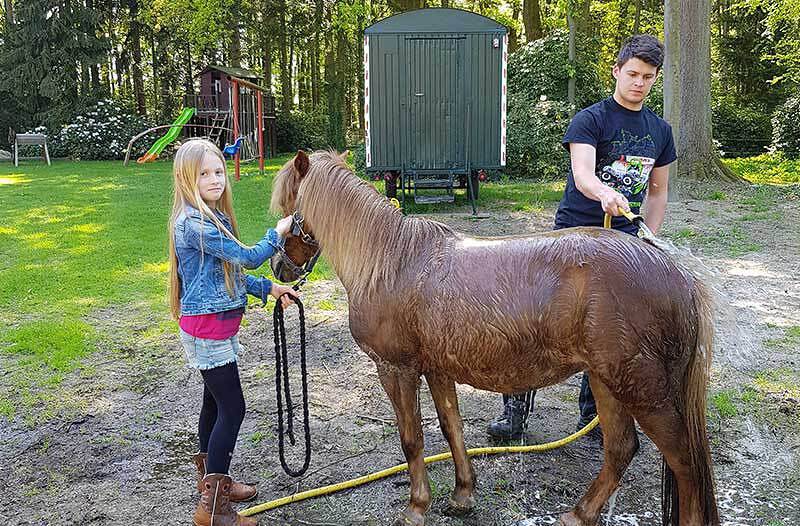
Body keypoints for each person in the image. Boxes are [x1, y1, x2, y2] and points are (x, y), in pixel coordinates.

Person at [487, 34, 677, 441]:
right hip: (574, 235)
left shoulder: (660, 131)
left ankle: (593, 421)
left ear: (655, 78)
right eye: (632, 74)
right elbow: (584, 175)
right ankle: (515, 410)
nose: (639, 82)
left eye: (647, 76)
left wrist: (647, 238)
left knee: (611, 331)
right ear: (617, 71)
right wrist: (605, 192)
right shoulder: (591, 119)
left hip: (624, 241)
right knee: (536, 319)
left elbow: (658, 192)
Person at [168, 139, 299, 525]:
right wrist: (278, 233)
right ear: (186, 179)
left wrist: (269, 288)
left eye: (218, 172)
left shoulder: (211, 219)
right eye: (204, 174)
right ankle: (214, 510)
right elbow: (247, 256)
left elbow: (229, 275)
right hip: (208, 332)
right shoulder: (194, 224)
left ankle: (212, 485)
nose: (214, 180)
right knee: (233, 408)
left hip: (214, 329)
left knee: (213, 404)